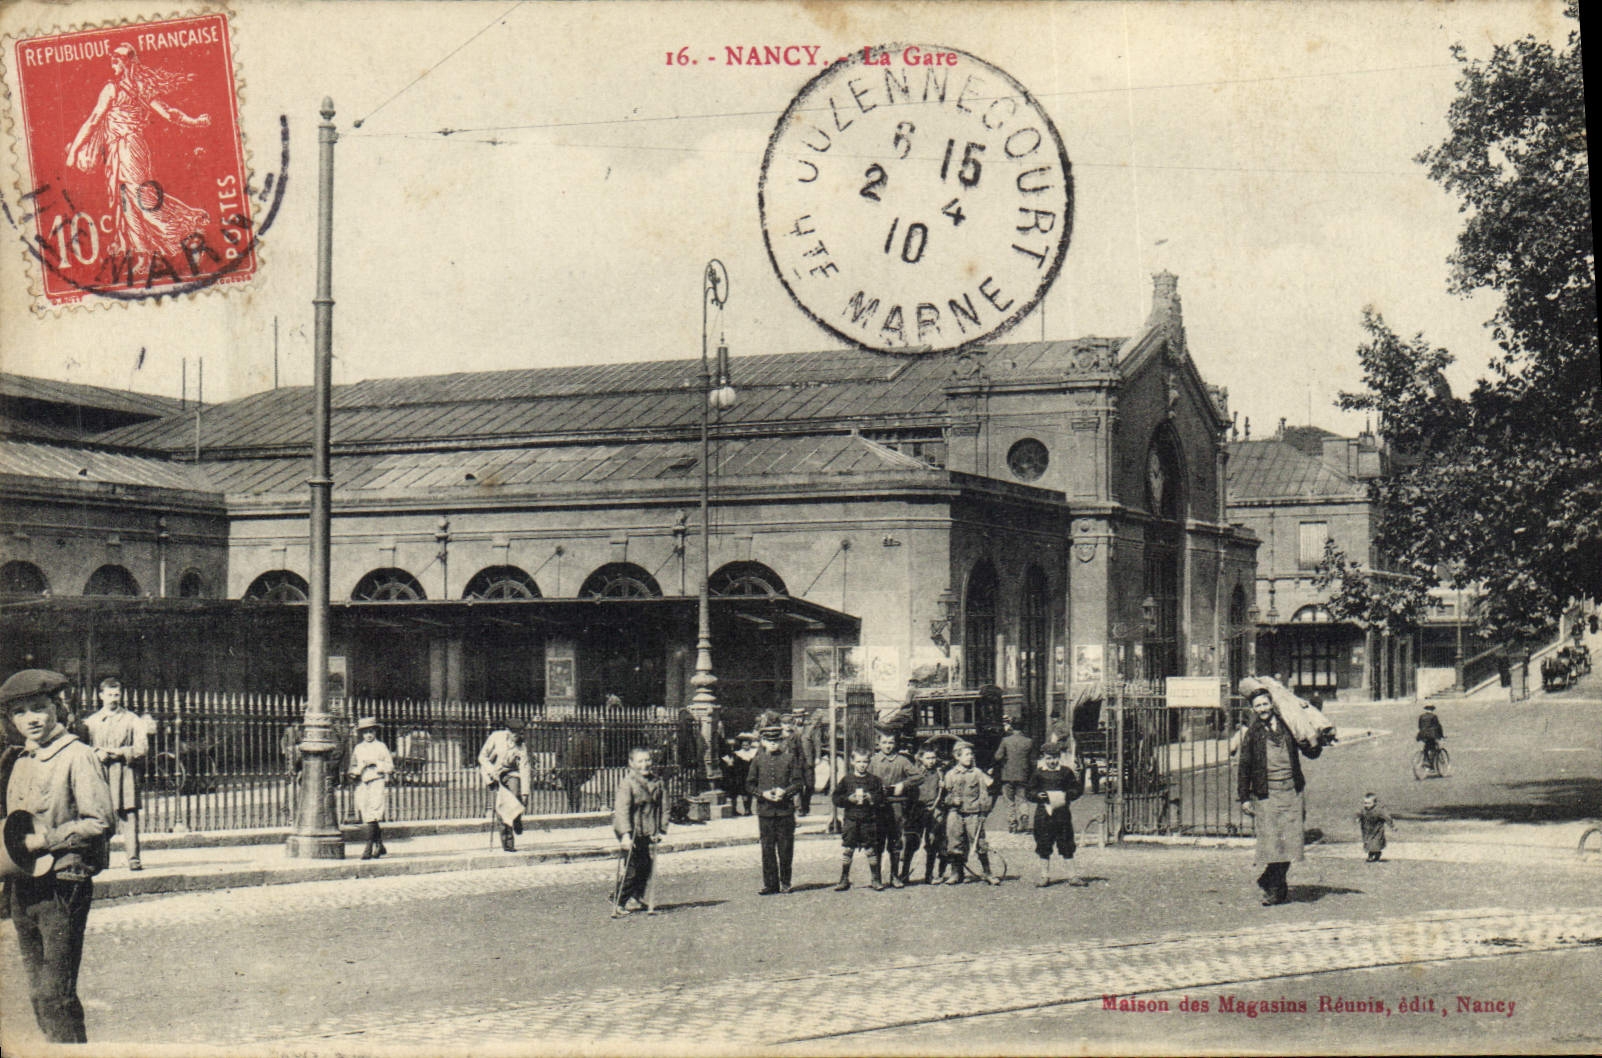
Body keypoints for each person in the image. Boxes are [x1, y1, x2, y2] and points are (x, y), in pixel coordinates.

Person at [1, 669, 115, 1044]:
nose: (31, 719)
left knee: (56, 994)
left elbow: (100, 821)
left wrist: (46, 840)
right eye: (20, 712)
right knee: (39, 995)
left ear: (58, 708)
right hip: (23, 886)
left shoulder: (78, 756)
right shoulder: (20, 759)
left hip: (63, 883)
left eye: (39, 707)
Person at [64, 43, 212, 279]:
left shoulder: (120, 88)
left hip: (130, 148)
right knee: (125, 202)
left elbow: (95, 120)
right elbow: (96, 119)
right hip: (119, 149)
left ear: (128, 63)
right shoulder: (128, 87)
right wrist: (193, 121)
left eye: (117, 60)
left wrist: (74, 151)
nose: (113, 63)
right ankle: (144, 256)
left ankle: (184, 230)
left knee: (141, 197)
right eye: (112, 59)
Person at [1236, 677, 1323, 906]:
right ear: (1253, 709)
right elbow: (1244, 766)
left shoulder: (1288, 725)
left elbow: (1310, 752)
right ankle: (1275, 889)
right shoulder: (1253, 733)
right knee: (1274, 843)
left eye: (1265, 704)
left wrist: (1316, 742)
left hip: (1292, 791)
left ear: (1272, 704)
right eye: (1258, 706)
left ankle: (1270, 880)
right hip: (1267, 795)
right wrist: (1244, 797)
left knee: (1291, 842)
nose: (1262, 709)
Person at [83, 676, 146, 871]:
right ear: (101, 695)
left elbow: (142, 748)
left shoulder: (132, 719)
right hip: (101, 772)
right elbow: (83, 749)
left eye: (117, 694)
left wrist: (121, 752)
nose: (113, 699)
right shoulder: (91, 722)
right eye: (109, 695)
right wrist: (96, 752)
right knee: (101, 815)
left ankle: (133, 858)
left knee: (129, 814)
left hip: (125, 772)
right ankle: (102, 859)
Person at [745, 725, 806, 895]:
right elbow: (749, 784)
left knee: (785, 848)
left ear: (782, 741)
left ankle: (785, 882)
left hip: (785, 811)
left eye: (776, 740)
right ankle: (770, 884)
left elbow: (798, 783)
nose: (773, 743)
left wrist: (785, 792)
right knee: (767, 849)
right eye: (768, 740)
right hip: (765, 811)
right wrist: (762, 794)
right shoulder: (758, 760)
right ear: (763, 742)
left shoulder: (790, 759)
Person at [611, 747, 667, 916]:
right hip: (631, 830)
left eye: (647, 760)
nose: (645, 764)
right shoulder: (627, 783)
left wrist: (661, 829)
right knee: (632, 867)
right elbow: (622, 810)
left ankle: (635, 897)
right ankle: (619, 900)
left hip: (647, 830)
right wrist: (625, 835)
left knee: (646, 865)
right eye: (640, 761)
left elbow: (664, 807)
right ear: (631, 763)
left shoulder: (657, 782)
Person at [940, 741, 1001, 885]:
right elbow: (945, 797)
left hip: (973, 814)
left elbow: (984, 795)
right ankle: (956, 873)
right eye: (967, 754)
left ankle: (987, 872)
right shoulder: (950, 775)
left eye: (971, 754)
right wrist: (951, 800)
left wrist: (983, 813)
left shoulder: (977, 773)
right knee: (954, 843)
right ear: (957, 756)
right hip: (955, 813)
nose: (970, 757)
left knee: (979, 843)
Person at [866, 729, 919, 888]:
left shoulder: (902, 761)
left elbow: (918, 776)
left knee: (895, 841)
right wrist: (875, 789)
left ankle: (895, 876)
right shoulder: (873, 761)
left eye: (890, 742)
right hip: (878, 806)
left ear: (895, 744)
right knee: (878, 841)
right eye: (884, 742)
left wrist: (904, 784)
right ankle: (876, 878)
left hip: (897, 806)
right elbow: (864, 778)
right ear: (878, 744)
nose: (887, 746)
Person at [1025, 742, 1082, 887]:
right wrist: (1038, 795)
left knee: (1066, 843)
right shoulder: (1038, 773)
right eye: (1049, 758)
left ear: (1060, 757)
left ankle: (1072, 876)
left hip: (1062, 814)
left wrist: (1067, 794)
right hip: (1044, 814)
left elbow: (1076, 789)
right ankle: (1044, 876)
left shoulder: (1066, 772)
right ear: (1044, 758)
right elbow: (1029, 792)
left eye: (1055, 758)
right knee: (1043, 843)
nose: (1052, 761)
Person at [831, 750, 887, 891]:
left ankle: (875, 879)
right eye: (859, 761)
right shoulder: (846, 780)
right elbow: (836, 798)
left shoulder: (875, 780)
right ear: (852, 762)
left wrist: (871, 797)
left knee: (870, 850)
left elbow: (881, 797)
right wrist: (847, 799)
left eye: (865, 762)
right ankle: (844, 878)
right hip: (851, 819)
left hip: (868, 820)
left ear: (869, 762)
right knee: (848, 849)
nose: (862, 765)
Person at [478, 719, 530, 852]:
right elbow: (482, 757)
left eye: (519, 733)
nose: (516, 736)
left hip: (512, 774)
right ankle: (508, 843)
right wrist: (491, 771)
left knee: (516, 798)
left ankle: (516, 818)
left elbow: (524, 769)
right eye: (513, 732)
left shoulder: (521, 746)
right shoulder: (496, 737)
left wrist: (525, 793)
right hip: (494, 775)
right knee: (501, 807)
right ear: (507, 730)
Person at [347, 717, 394, 860]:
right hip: (362, 782)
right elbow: (352, 767)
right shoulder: (358, 748)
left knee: (374, 812)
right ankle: (379, 844)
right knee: (366, 813)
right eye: (365, 732)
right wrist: (358, 769)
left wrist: (376, 763)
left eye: (371, 732)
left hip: (376, 780)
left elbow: (390, 767)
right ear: (362, 734)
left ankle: (368, 847)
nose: (368, 735)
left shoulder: (381, 746)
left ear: (375, 732)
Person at [904, 744, 945, 885]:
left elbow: (942, 794)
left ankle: (929, 875)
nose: (931, 761)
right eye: (928, 758)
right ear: (920, 758)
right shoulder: (915, 773)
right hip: (917, 811)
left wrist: (943, 787)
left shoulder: (939, 773)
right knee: (912, 842)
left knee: (932, 843)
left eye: (933, 758)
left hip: (933, 811)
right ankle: (904, 874)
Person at [992, 715, 1035, 834]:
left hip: (1007, 774)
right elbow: (1032, 761)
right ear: (1023, 727)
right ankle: (1024, 818)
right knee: (1022, 799)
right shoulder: (1029, 741)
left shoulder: (1005, 740)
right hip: (1023, 775)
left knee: (1009, 801)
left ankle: (1012, 825)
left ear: (1012, 726)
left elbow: (998, 756)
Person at [720, 733, 757, 816]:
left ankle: (748, 809)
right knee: (741, 792)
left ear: (749, 745)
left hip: (750, 774)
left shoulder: (753, 753)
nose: (745, 747)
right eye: (743, 745)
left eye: (746, 745)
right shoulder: (738, 754)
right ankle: (740, 809)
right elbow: (735, 765)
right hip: (740, 775)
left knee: (749, 792)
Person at [1356, 792, 1396, 863]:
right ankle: (1373, 854)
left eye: (1369, 803)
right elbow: (1360, 814)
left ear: (1374, 803)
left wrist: (1392, 826)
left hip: (1377, 830)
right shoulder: (1364, 810)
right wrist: (1358, 818)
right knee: (1368, 842)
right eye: (1365, 803)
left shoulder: (1379, 811)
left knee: (1375, 843)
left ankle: (1373, 855)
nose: (1366, 805)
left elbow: (1387, 818)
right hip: (1367, 830)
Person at [1416, 704, 1445, 772]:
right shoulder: (1434, 716)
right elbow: (1438, 726)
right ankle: (1430, 765)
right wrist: (1441, 736)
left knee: (1426, 747)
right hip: (1431, 735)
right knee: (1433, 748)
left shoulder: (1421, 716)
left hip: (1422, 734)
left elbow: (1419, 726)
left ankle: (1425, 759)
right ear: (1432, 710)